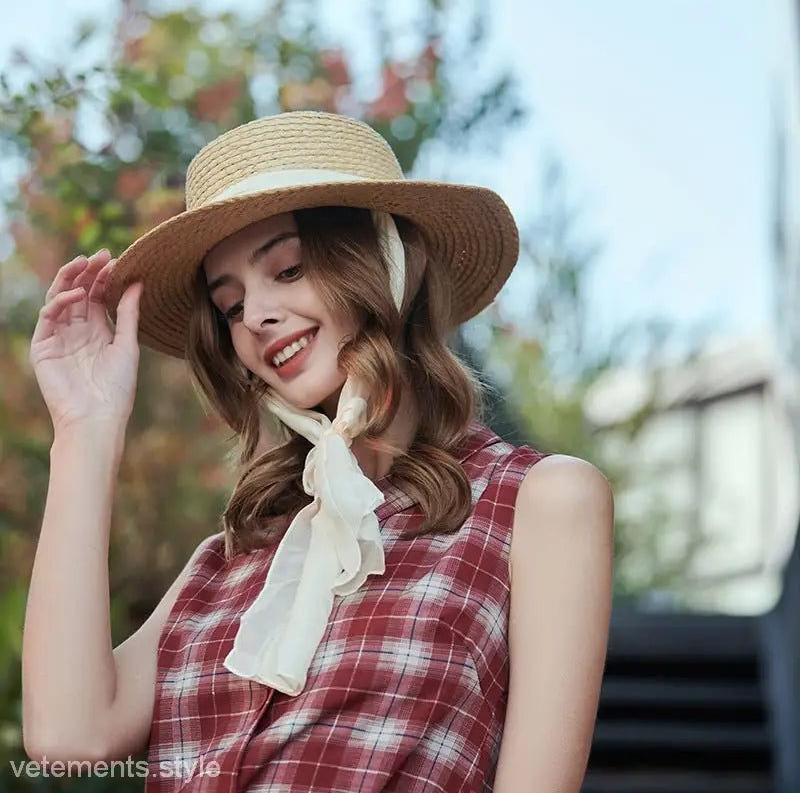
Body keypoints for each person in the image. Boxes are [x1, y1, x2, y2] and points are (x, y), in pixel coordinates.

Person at [22, 110, 614, 792]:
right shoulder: (226, 562)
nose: (255, 317)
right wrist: (85, 427)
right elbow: (68, 737)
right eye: (229, 303)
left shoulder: (536, 501)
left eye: (289, 268)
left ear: (392, 264)